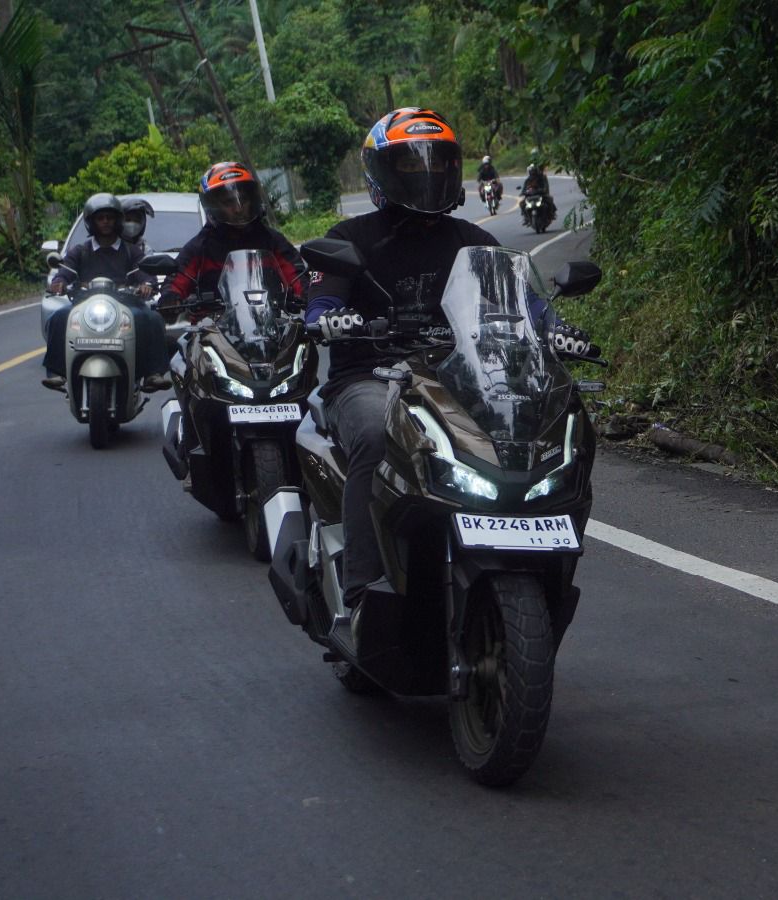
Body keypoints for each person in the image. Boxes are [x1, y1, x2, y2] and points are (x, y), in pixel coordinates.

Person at [306, 107, 595, 608]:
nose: (427, 177)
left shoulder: (475, 241)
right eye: (412, 167)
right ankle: (361, 590)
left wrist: (557, 330)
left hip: (461, 378)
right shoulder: (349, 239)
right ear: (381, 171)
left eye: (437, 166)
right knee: (377, 436)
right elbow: (322, 300)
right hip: (370, 377)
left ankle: (548, 573)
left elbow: (526, 306)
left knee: (558, 431)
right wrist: (329, 318)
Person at [42, 193, 169, 392]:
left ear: (118, 220)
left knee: (151, 319)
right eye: (100, 218)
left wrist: (146, 285)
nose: (105, 222)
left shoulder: (131, 251)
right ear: (91, 222)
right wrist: (58, 283)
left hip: (126, 305)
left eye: (110, 217)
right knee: (58, 317)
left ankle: (153, 374)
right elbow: (65, 272)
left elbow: (146, 274)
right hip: (86, 305)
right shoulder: (80, 251)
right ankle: (57, 373)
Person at [159, 161, 307, 320]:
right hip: (213, 330)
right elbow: (177, 280)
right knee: (181, 343)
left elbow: (296, 274)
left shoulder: (271, 240)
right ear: (213, 206)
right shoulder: (200, 247)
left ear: (253, 199)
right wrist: (170, 299)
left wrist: (306, 293)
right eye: (229, 202)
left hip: (269, 326)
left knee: (303, 338)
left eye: (243, 200)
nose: (238, 208)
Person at [518, 162, 555, 226]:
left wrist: (542, 190)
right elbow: (524, 189)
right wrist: (523, 193)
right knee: (522, 203)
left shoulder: (542, 178)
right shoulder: (528, 180)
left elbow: (545, 187)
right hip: (530, 197)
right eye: (531, 171)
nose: (532, 173)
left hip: (541, 195)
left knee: (550, 199)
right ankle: (526, 218)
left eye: (533, 171)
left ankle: (551, 214)